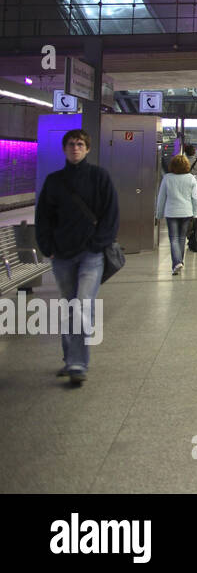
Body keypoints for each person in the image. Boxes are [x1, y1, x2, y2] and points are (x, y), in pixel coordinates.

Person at [34, 129, 120, 386]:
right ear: (64, 149)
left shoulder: (99, 177)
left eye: (80, 144)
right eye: (71, 144)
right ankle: (70, 356)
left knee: (82, 304)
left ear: (88, 148)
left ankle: (77, 363)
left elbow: (111, 214)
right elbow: (44, 218)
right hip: (61, 254)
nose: (75, 148)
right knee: (71, 305)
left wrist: (97, 243)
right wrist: (46, 245)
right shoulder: (54, 181)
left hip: (90, 254)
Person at [156, 154, 197, 274]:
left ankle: (177, 263)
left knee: (174, 239)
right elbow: (196, 197)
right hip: (186, 212)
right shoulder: (191, 178)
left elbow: (161, 198)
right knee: (181, 238)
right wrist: (195, 213)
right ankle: (179, 262)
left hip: (171, 212)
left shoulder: (167, 178)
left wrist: (158, 214)